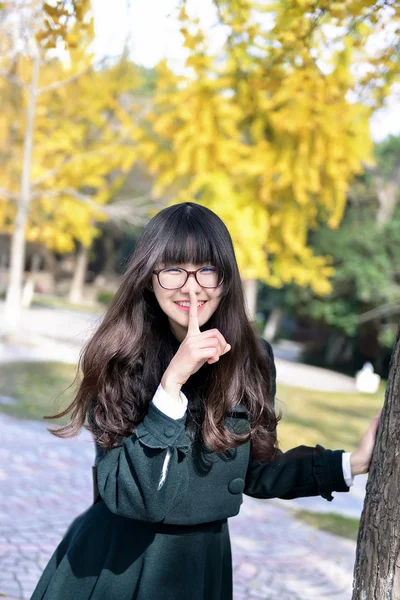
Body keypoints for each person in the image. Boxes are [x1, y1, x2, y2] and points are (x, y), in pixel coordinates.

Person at [31, 202, 381, 600]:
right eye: (173, 269)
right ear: (149, 279)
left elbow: (257, 471)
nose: (191, 287)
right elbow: (131, 496)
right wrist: (171, 383)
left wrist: (350, 464)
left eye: (207, 270)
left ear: (225, 280)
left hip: (199, 568)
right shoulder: (119, 356)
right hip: (114, 569)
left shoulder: (252, 359)